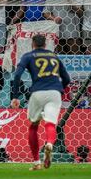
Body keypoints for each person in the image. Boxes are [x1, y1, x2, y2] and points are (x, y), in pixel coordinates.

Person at [11, 34, 71, 171]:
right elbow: (66, 78)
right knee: (50, 123)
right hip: (54, 93)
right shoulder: (54, 56)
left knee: (33, 126)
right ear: (45, 45)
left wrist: (15, 96)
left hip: (37, 92)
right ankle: (49, 143)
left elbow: (17, 74)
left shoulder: (28, 56)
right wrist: (60, 89)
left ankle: (37, 161)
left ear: (32, 44)